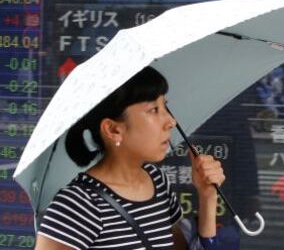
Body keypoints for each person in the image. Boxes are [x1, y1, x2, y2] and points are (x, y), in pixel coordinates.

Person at [34, 66, 226, 250]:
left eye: (164, 106)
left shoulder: (156, 180)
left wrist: (207, 196)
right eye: (153, 110)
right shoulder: (79, 204)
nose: (171, 121)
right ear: (113, 129)